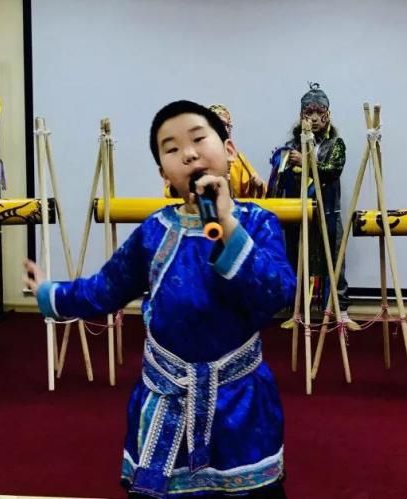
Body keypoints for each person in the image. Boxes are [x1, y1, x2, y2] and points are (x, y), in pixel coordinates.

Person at [25, 100, 295, 498]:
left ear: (230, 150)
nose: (189, 154)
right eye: (172, 149)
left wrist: (226, 223)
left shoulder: (258, 223)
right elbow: (106, 288)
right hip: (167, 394)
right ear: (164, 173)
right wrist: (52, 293)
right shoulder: (154, 232)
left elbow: (278, 294)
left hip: (240, 400)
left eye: (199, 139)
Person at [268, 83, 358, 330]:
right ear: (302, 116)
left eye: (320, 112)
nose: (315, 118)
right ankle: (297, 312)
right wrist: (283, 164)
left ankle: (341, 312)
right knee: (297, 260)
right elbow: (281, 180)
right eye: (309, 112)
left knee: (335, 262)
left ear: (328, 114)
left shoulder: (335, 144)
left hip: (328, 213)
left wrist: (306, 162)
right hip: (300, 215)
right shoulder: (292, 146)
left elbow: (332, 171)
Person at [164, 103, 266, 198]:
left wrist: (257, 186)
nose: (219, 129)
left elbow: (254, 192)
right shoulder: (193, 156)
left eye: (222, 125)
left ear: (228, 128)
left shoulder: (238, 159)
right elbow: (170, 192)